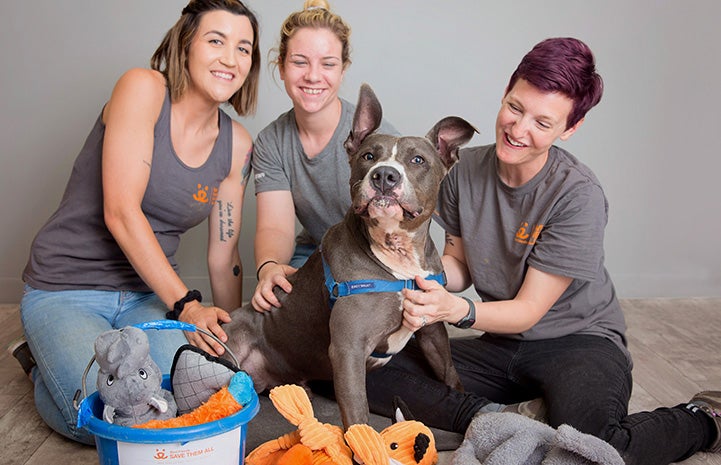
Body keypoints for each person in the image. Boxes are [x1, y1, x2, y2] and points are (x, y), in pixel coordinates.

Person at [365, 37, 720, 465]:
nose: (518, 130)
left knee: (597, 446)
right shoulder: (462, 172)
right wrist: (421, 274)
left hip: (579, 342)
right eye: (515, 108)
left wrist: (453, 310)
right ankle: (498, 416)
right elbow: (458, 264)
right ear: (506, 92)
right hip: (501, 342)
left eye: (542, 122)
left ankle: (704, 418)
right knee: (364, 370)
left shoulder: (577, 194)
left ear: (569, 129)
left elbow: (530, 309)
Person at [12, 0, 260, 444]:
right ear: (186, 45)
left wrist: (231, 339)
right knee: (116, 417)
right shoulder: (142, 87)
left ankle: (61, 368)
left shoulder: (237, 145)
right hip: (68, 289)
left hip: (151, 295)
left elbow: (224, 257)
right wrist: (188, 307)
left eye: (244, 48)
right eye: (216, 41)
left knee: (189, 399)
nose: (231, 58)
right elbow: (121, 212)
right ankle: (41, 367)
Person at [250, 0, 397, 312]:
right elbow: (275, 227)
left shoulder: (377, 135)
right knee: (275, 310)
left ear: (343, 70)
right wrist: (270, 267)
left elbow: (396, 224)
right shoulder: (271, 141)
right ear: (281, 66)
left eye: (328, 64)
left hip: (375, 252)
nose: (313, 76)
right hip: (317, 251)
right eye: (300, 62)